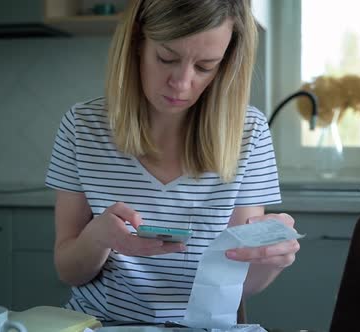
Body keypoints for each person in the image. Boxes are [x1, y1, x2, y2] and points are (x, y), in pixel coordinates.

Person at [45, 0, 300, 324]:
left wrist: (270, 260)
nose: (181, 83)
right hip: (99, 324)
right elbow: (68, 270)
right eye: (167, 58)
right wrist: (98, 238)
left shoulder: (249, 133)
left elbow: (240, 286)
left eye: (205, 66)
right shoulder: (82, 126)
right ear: (137, 42)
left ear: (226, 63)